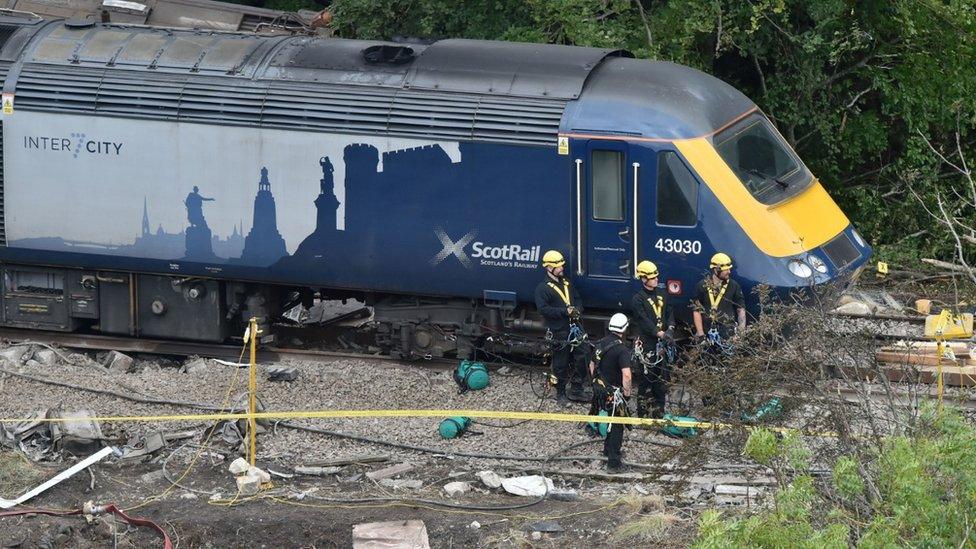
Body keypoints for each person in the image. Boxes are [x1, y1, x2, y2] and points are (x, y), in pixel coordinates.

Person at [692, 252, 747, 411]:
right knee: (707, 369)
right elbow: (696, 310)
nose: (729, 272)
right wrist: (701, 333)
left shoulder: (734, 286)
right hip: (708, 334)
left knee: (727, 369)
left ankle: (728, 403)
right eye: (726, 269)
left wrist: (740, 334)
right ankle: (710, 404)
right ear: (716, 269)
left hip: (727, 334)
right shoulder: (702, 286)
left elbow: (741, 310)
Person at [535, 250, 588, 407]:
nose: (562, 268)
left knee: (583, 355)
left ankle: (577, 388)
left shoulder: (567, 283)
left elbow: (577, 298)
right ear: (549, 268)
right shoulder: (542, 288)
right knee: (560, 363)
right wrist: (565, 312)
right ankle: (561, 393)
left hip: (575, 327)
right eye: (558, 266)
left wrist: (578, 309)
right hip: (559, 330)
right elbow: (543, 310)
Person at [588, 312, 632, 473]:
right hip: (614, 392)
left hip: (600, 390)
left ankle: (607, 450)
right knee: (617, 424)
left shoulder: (600, 344)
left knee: (610, 419)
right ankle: (614, 462)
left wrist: (595, 383)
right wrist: (627, 393)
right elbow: (626, 375)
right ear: (625, 328)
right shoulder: (622, 350)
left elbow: (592, 365)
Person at [630, 260, 675, 419]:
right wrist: (659, 333)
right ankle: (642, 414)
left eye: (656, 276)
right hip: (648, 343)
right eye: (652, 277)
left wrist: (670, 329)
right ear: (643, 279)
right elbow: (643, 320)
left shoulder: (662, 294)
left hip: (661, 342)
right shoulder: (638, 299)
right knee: (645, 380)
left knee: (661, 380)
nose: (656, 279)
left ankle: (659, 412)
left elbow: (669, 312)